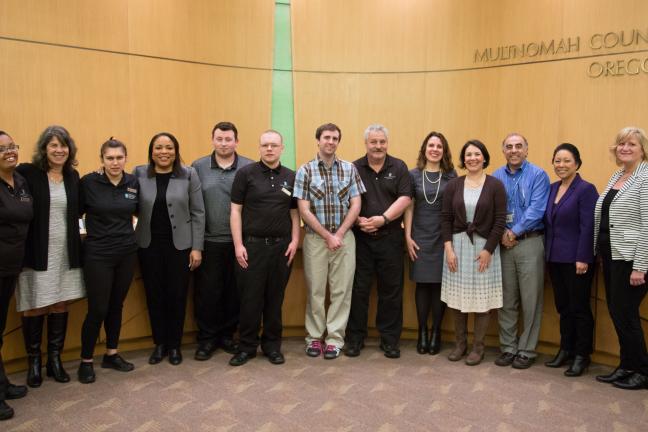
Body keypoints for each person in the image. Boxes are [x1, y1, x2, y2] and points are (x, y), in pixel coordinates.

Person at [16, 125, 84, 387]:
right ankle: (34, 361)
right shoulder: (27, 173)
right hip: (37, 252)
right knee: (35, 303)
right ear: (44, 149)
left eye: (63, 145)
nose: (59, 150)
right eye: (53, 145)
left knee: (59, 302)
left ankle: (54, 360)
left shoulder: (72, 176)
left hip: (66, 252)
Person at [293, 123, 364, 360]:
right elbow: (303, 209)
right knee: (315, 290)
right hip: (316, 240)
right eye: (326, 137)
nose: (330, 142)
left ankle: (334, 339)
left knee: (341, 291)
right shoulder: (305, 170)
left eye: (335, 138)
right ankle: (314, 338)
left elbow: (356, 204)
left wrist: (340, 233)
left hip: (345, 239)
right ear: (318, 140)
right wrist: (327, 236)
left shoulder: (349, 169)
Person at [228, 130, 299, 366]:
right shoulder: (245, 174)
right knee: (250, 300)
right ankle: (246, 347)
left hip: (281, 249)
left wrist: (295, 240)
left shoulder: (292, 176)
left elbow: (294, 212)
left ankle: (272, 346)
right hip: (252, 248)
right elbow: (235, 211)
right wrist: (238, 245)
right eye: (265, 145)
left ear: (282, 148)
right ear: (259, 148)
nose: (269, 149)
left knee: (274, 299)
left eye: (274, 145)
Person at [134, 132, 205, 366]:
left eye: (169, 148)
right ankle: (159, 344)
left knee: (177, 296)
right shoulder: (139, 173)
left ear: (176, 151)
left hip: (181, 247)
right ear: (151, 151)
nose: (164, 152)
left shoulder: (189, 174)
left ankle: (174, 346)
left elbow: (198, 212)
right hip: (148, 246)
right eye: (158, 148)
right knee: (154, 296)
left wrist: (197, 248)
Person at [345, 124, 412, 359]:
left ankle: (390, 341)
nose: (378, 146)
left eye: (382, 141)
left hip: (390, 239)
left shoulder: (399, 166)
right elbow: (346, 199)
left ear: (387, 143)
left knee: (391, 292)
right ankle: (354, 339)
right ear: (366, 144)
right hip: (360, 239)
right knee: (358, 290)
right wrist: (359, 220)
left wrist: (383, 219)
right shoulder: (353, 167)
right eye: (373, 142)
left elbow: (405, 197)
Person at [77, 138, 139, 383]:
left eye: (119, 158)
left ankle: (111, 353)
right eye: (110, 158)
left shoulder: (133, 182)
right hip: (98, 254)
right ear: (101, 160)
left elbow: (138, 212)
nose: (115, 162)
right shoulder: (89, 182)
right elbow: (76, 215)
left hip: (126, 252)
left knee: (117, 305)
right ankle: (86, 360)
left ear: (125, 158)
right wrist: (83, 236)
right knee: (98, 308)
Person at [441, 140, 506, 365]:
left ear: (484, 157)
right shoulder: (453, 185)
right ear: (463, 159)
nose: (472, 158)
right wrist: (448, 248)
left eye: (477, 154)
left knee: (482, 300)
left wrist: (489, 250)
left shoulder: (495, 185)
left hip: (484, 248)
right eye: (468, 154)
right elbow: (445, 218)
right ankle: (460, 344)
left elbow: (499, 221)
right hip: (456, 247)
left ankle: (478, 347)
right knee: (457, 298)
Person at [191, 122, 253, 360]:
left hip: (240, 243)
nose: (224, 144)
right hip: (208, 241)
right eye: (219, 139)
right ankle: (207, 339)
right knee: (207, 293)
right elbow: (193, 206)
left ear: (236, 141)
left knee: (234, 292)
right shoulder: (198, 167)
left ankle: (227, 335)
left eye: (229, 139)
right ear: (213, 140)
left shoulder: (249, 166)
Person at [594, 127, 648, 390]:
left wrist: (640, 267)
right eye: (621, 144)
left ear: (642, 149)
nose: (625, 148)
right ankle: (627, 366)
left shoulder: (645, 177)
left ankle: (642, 370)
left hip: (632, 260)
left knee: (626, 314)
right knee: (617, 312)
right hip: (612, 255)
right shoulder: (618, 174)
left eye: (631, 144)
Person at [492, 133, 550, 369]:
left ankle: (526, 350)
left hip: (529, 241)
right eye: (509, 146)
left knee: (531, 299)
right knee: (506, 299)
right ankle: (508, 347)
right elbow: (493, 209)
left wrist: (512, 232)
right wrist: (503, 235)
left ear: (527, 150)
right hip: (503, 244)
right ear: (503, 151)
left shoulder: (538, 175)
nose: (513, 150)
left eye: (518, 146)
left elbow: (536, 210)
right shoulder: (495, 177)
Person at [543, 143, 598, 377]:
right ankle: (566, 349)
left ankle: (581, 355)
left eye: (566, 160)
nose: (561, 165)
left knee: (579, 308)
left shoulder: (586, 189)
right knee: (563, 307)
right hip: (555, 258)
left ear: (577, 163)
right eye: (557, 160)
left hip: (578, 260)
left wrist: (583, 257)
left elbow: (589, 227)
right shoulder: (553, 188)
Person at [404, 131, 456, 355]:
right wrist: (407, 235)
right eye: (431, 145)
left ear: (444, 151)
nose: (435, 149)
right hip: (419, 235)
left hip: (443, 237)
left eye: (439, 146)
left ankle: (436, 332)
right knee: (422, 285)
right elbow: (409, 206)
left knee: (439, 285)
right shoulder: (412, 175)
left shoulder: (452, 176)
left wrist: (450, 243)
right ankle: (422, 331)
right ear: (424, 149)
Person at [0, 131, 32, 420]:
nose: (9, 152)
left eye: (12, 147)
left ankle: (2, 384)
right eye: (2, 149)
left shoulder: (20, 181)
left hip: (10, 267)